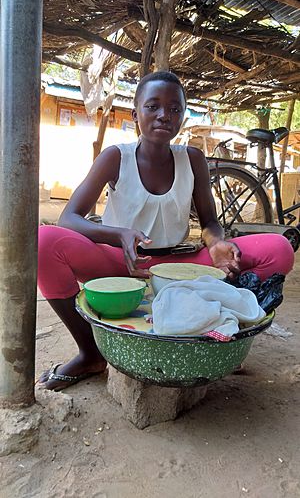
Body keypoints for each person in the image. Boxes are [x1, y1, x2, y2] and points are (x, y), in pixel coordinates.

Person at [38, 71, 294, 391]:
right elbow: (69, 218)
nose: (164, 115)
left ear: (183, 117)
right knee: (42, 242)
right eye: (153, 106)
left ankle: (222, 340)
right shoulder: (116, 157)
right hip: (122, 263)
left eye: (174, 109)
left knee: (279, 249)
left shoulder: (193, 159)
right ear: (135, 114)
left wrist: (215, 244)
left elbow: (210, 221)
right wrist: (119, 235)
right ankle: (91, 353)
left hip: (178, 269)